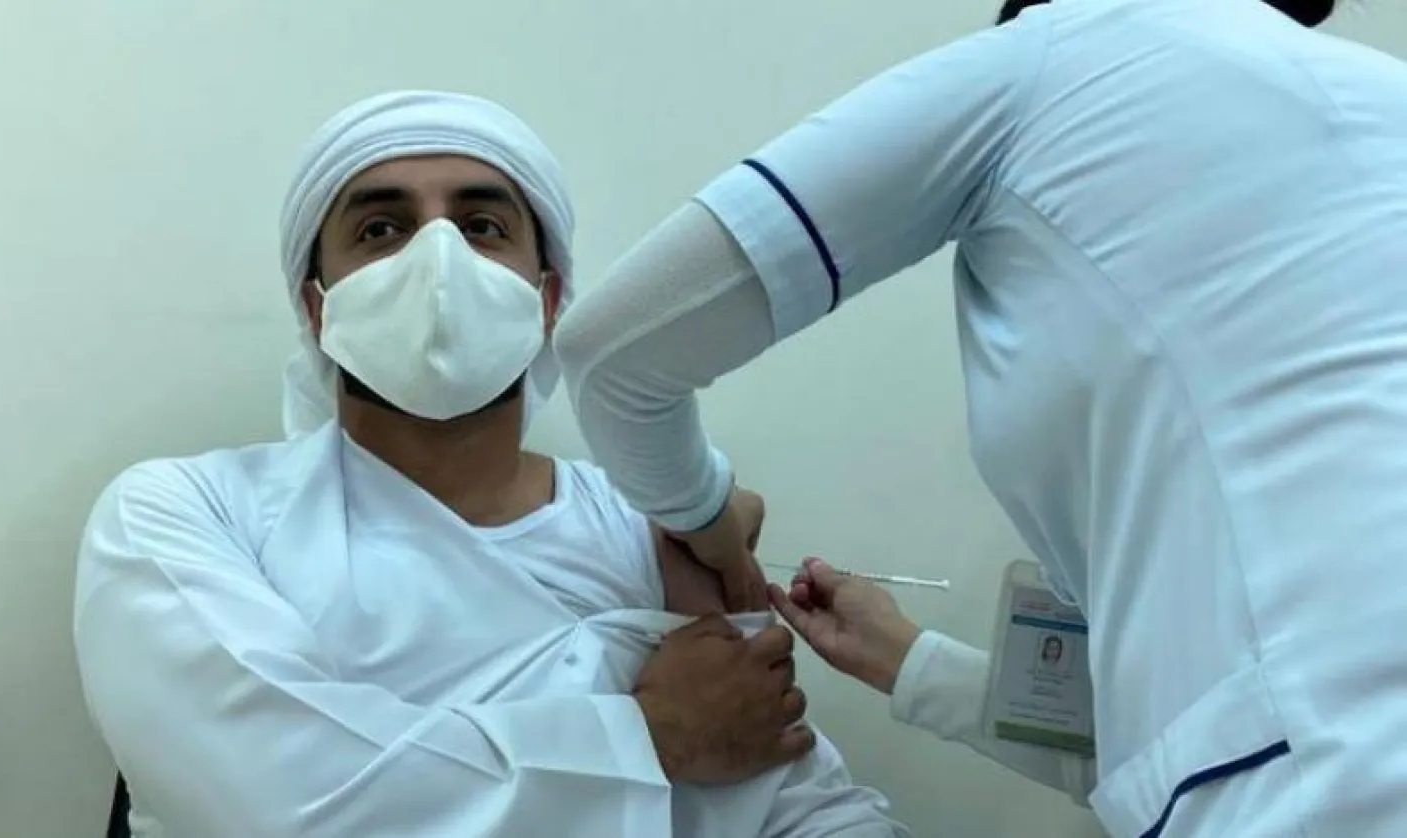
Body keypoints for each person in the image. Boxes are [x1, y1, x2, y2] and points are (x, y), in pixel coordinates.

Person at [552, 0, 1407, 835]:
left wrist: (704, 514)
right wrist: (910, 661)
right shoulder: (1381, 94)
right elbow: (1166, 731)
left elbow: (614, 358)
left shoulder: (1064, 54)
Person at [73, 91, 905, 838]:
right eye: (380, 229)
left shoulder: (650, 528)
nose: (439, 263)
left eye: (481, 227)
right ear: (317, 306)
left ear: (546, 300)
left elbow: (793, 795)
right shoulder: (184, 513)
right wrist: (645, 737)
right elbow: (271, 801)